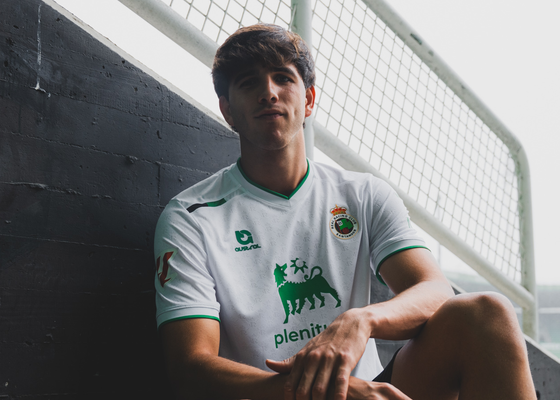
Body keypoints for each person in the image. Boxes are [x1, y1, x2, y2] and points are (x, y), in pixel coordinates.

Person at [154, 24, 536, 400]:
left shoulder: (362, 194)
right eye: (249, 83)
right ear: (227, 110)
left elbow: (435, 290)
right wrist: (323, 389)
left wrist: (362, 320)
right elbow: (191, 367)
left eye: (283, 78)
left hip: (369, 390)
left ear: (308, 100)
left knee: (487, 313)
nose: (268, 92)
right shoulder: (191, 217)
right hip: (276, 394)